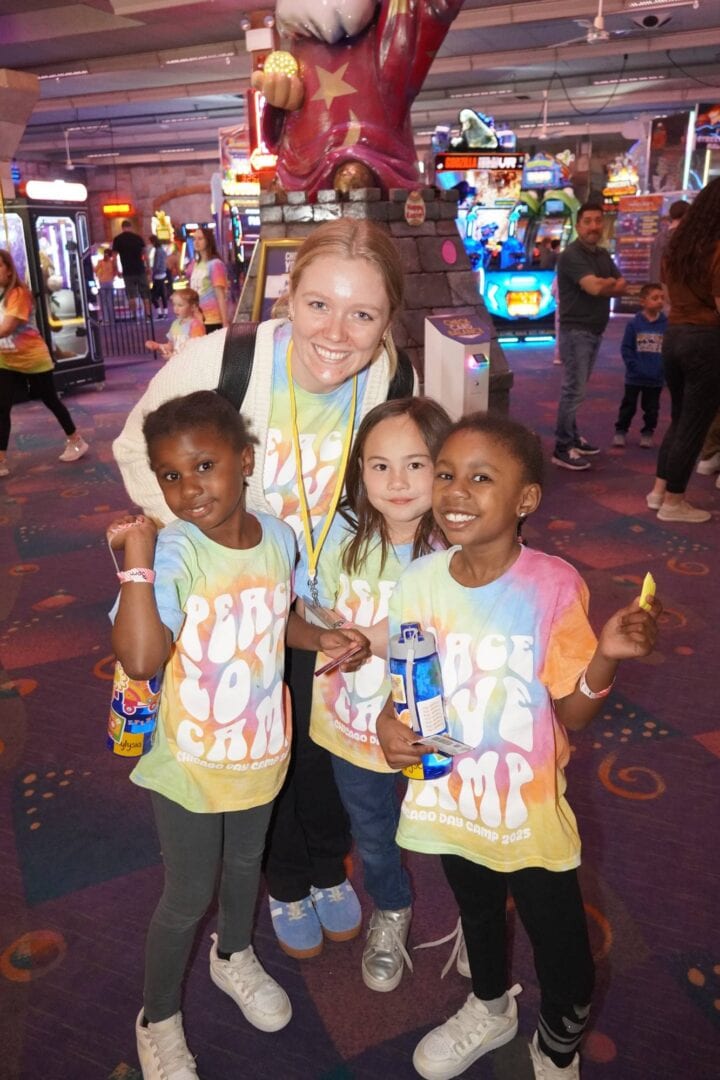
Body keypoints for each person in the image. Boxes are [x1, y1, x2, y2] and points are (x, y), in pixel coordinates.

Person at [113, 218, 414, 958]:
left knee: (320, 751)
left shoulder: (390, 377)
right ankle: (285, 882)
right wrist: (204, 546)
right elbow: (132, 449)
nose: (338, 335)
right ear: (289, 295)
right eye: (319, 305)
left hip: (326, 606)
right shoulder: (221, 362)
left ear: (387, 321)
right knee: (250, 750)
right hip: (238, 610)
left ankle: (326, 867)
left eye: (363, 315)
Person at [376, 413, 661, 1080]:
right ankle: (489, 1005)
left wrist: (607, 658)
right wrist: (389, 726)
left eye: (481, 478)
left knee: (560, 942)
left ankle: (558, 1046)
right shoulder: (418, 582)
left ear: (525, 499)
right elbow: (408, 685)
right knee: (476, 911)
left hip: (526, 809)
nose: (454, 492)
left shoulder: (552, 585)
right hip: (449, 795)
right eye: (445, 474)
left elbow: (573, 711)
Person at [107, 391, 368, 1080]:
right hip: (190, 762)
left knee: (247, 869)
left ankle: (234, 954)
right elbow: (139, 657)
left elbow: (274, 618)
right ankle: (157, 1016)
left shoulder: (278, 536)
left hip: (261, 748)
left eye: (205, 465)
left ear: (245, 460)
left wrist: (323, 638)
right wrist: (138, 555)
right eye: (171, 475)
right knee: (188, 894)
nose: (189, 488)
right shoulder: (175, 552)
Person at [307, 396, 451, 980]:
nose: (396, 482)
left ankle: (480, 914)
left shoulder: (458, 542)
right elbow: (311, 600)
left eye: (416, 464)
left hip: (433, 722)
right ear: (359, 470)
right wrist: (326, 628)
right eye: (379, 465)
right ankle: (391, 907)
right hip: (350, 725)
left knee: (454, 826)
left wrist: (371, 634)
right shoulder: (340, 532)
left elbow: (456, 625)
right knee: (371, 831)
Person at [252, 0, 464, 197]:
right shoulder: (296, 37)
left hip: (372, 148)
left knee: (355, 178)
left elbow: (434, 10)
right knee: (286, 198)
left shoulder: (388, 23)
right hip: (299, 157)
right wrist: (280, 99)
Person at [646, 177, 720, 523]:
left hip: (674, 334)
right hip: (705, 339)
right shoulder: (717, 248)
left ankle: (660, 491)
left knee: (678, 420)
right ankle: (674, 502)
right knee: (693, 424)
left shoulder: (678, 246)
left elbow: (668, 292)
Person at [0, 248, 89, 478]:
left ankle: (76, 439)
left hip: (33, 358)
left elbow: (7, 327)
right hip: (5, 360)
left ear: (9, 270)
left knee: (50, 399)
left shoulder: (19, 294)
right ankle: (0, 459)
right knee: (1, 407)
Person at [551, 203, 627, 471]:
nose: (594, 226)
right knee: (574, 390)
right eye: (588, 221)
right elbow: (595, 287)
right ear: (578, 225)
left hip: (594, 329)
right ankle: (561, 447)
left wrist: (603, 283)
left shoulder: (601, 254)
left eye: (598, 221)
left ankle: (572, 437)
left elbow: (623, 284)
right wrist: (605, 283)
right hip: (576, 331)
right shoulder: (572, 255)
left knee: (578, 389)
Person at [612, 282, 667, 449]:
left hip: (656, 377)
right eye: (655, 298)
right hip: (634, 377)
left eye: (662, 298)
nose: (660, 301)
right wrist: (633, 366)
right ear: (643, 301)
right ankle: (621, 430)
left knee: (651, 408)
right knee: (628, 406)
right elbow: (626, 348)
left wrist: (662, 369)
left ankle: (648, 432)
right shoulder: (634, 324)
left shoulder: (666, 325)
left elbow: (669, 349)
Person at [145, 288, 205, 361]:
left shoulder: (196, 325)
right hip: (177, 365)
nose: (175, 309)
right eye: (174, 305)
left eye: (180, 305)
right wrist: (157, 346)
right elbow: (171, 346)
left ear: (193, 307)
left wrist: (173, 357)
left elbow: (194, 351)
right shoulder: (175, 324)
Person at [188, 227, 229, 333]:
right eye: (194, 239)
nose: (196, 242)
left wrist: (225, 322)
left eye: (200, 238)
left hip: (212, 318)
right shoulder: (195, 264)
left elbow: (220, 296)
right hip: (197, 318)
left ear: (208, 241)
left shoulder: (215, 264)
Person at [112, 219, 151, 319]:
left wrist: (116, 269)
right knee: (145, 293)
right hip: (140, 269)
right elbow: (145, 254)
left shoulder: (118, 239)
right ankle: (147, 314)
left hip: (127, 271)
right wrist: (148, 267)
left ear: (122, 228)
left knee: (131, 295)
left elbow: (115, 256)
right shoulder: (138, 238)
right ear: (130, 227)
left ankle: (134, 315)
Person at [648, 199, 689, 282]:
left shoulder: (658, 237)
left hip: (657, 286)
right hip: (674, 288)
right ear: (687, 215)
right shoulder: (684, 237)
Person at [95, 247, 118, 323]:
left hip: (102, 282)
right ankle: (112, 319)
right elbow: (116, 272)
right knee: (110, 302)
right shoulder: (112, 262)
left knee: (103, 302)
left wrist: (99, 275)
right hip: (110, 283)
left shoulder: (100, 262)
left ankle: (106, 319)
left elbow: (95, 270)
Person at [148, 235, 169, 318]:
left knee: (153, 296)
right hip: (163, 273)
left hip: (158, 275)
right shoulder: (162, 250)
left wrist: (152, 273)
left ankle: (160, 313)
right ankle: (165, 312)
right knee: (163, 295)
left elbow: (157, 264)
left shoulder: (157, 251)